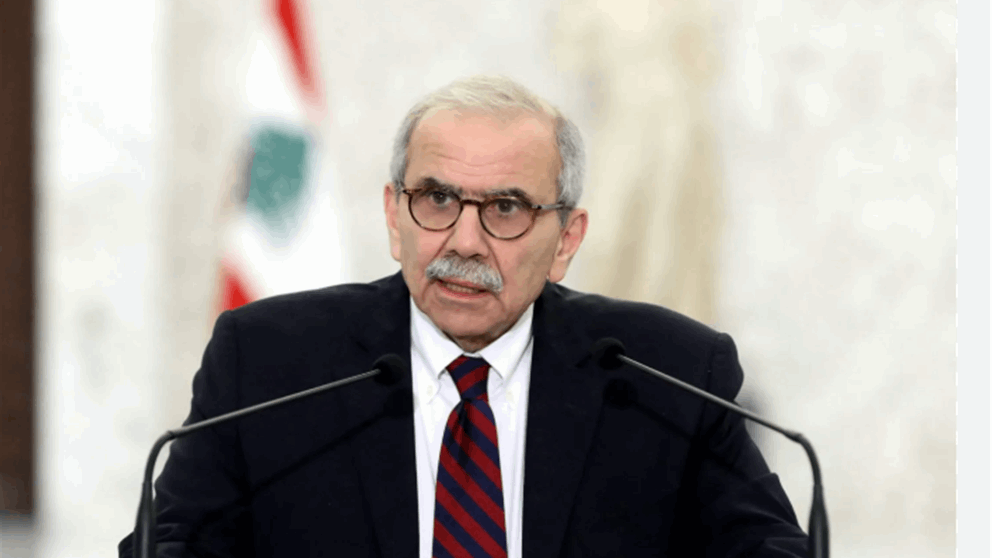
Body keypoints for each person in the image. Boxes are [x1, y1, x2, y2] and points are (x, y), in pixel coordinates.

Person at [120, 75, 808, 558]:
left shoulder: (666, 374)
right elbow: (170, 546)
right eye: (437, 200)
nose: (465, 241)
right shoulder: (269, 362)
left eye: (506, 208)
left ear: (566, 240)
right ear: (394, 217)